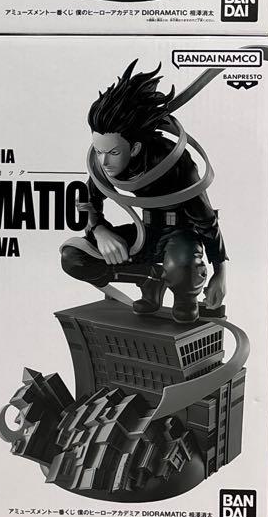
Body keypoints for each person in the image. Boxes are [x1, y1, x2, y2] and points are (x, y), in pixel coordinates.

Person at [61, 60, 227, 323]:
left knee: (182, 273)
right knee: (73, 258)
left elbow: (205, 219)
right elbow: (88, 201)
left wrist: (220, 271)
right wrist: (100, 230)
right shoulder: (105, 163)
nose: (104, 161)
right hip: (146, 233)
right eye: (99, 151)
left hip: (182, 236)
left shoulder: (174, 161)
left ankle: (184, 295)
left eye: (113, 152)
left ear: (136, 147)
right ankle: (151, 279)